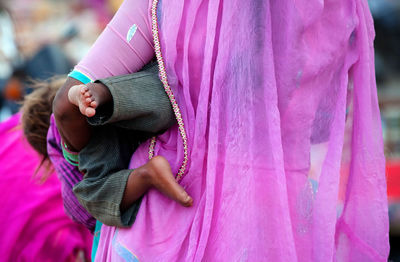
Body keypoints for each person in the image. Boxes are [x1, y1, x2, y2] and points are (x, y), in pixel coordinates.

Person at [58, 0, 390, 261]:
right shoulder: (336, 8)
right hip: (278, 227)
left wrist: (99, 175)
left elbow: (66, 108)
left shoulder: (170, 5)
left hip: (168, 224)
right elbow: (320, 126)